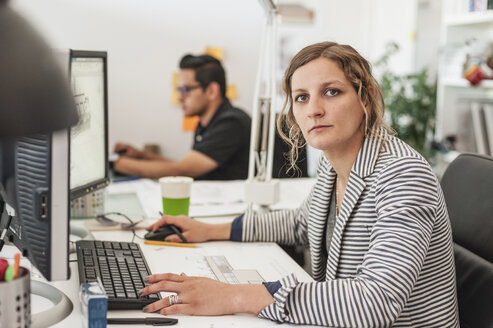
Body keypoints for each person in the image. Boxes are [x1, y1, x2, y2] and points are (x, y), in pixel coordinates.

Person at [139, 42, 459, 327]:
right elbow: (301, 224)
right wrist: (211, 230)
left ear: (367, 97)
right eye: (301, 98)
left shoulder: (402, 174)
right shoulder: (333, 163)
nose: (314, 110)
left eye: (331, 92)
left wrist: (235, 296)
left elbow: (376, 301)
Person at [114, 54, 251, 180]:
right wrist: (142, 156)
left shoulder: (231, 123)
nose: (179, 97)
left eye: (185, 90)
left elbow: (182, 171)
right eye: (179, 90)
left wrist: (114, 163)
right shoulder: (206, 123)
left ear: (211, 91)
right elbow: (185, 166)